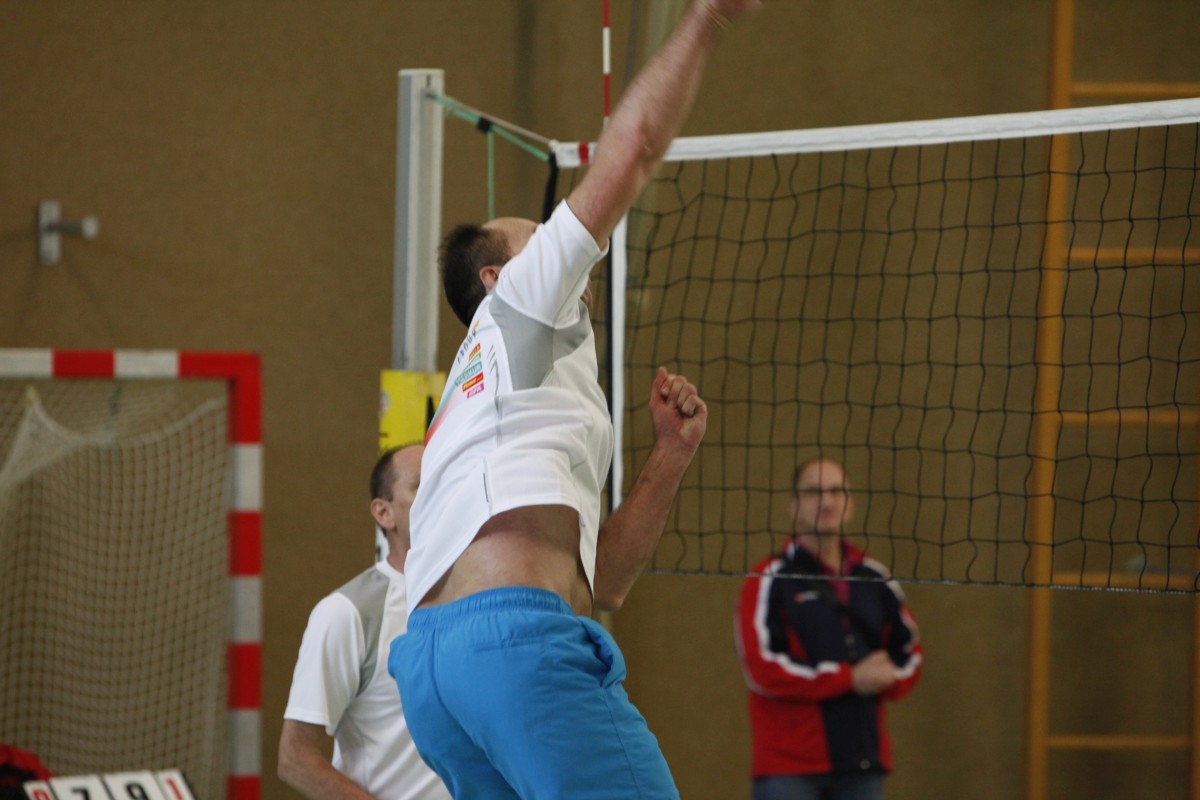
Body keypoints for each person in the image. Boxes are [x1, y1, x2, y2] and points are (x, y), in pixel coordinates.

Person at [387, 2, 762, 797]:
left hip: (434, 672)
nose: (558, 241)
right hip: (513, 646)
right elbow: (634, 148)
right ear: (498, 276)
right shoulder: (520, 302)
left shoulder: (485, 400)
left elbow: (605, 584)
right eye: (536, 232)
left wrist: (669, 458)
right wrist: (704, 19)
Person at [735, 458, 923, 800]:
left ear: (850, 504)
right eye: (813, 492)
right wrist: (850, 678)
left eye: (836, 491)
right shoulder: (770, 577)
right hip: (789, 768)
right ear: (794, 506)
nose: (826, 502)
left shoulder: (875, 577)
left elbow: (909, 653)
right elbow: (762, 668)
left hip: (862, 764)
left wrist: (888, 676)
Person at [279, 444, 450, 800]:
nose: (442, 492)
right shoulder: (346, 612)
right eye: (422, 484)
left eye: (447, 479)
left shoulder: (486, 602)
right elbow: (295, 759)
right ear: (384, 513)